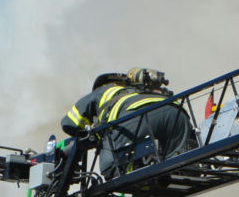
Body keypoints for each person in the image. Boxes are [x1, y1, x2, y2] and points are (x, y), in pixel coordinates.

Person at [60, 68, 196, 179]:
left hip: (135, 115)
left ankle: (137, 172)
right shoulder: (140, 89)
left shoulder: (102, 91)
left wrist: (88, 138)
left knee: (110, 166)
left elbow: (69, 122)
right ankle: (188, 168)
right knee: (178, 158)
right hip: (177, 112)